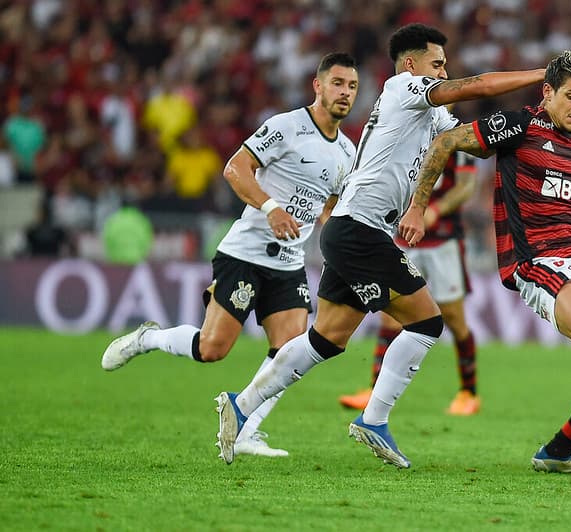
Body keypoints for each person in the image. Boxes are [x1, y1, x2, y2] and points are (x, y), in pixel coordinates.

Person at [214, 23, 546, 468]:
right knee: (428, 321)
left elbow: (468, 142)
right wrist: (544, 74)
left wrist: (533, 119)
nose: (445, 71)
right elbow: (478, 86)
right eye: (438, 63)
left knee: (326, 340)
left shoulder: (430, 115)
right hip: (359, 230)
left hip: (355, 231)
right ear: (412, 65)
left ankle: (239, 407)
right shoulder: (404, 88)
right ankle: (375, 420)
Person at [100, 52, 360, 458]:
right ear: (318, 85)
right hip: (245, 253)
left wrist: (342, 234)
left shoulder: (347, 150)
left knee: (291, 351)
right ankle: (148, 338)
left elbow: (327, 205)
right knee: (213, 348)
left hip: (289, 262)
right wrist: (272, 208)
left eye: (352, 86)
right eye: (338, 83)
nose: (345, 93)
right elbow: (235, 168)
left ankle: (246, 429)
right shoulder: (287, 126)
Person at [404, 50, 571, 477]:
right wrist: (417, 208)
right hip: (536, 259)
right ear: (548, 91)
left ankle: (557, 452)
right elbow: (446, 142)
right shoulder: (519, 126)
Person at [338, 151, 481, 415]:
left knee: (453, 318)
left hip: (443, 242)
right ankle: (373, 388)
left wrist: (435, 209)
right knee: (390, 317)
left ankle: (468, 393)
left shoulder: (457, 139)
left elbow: (465, 187)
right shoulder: (411, 133)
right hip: (405, 238)